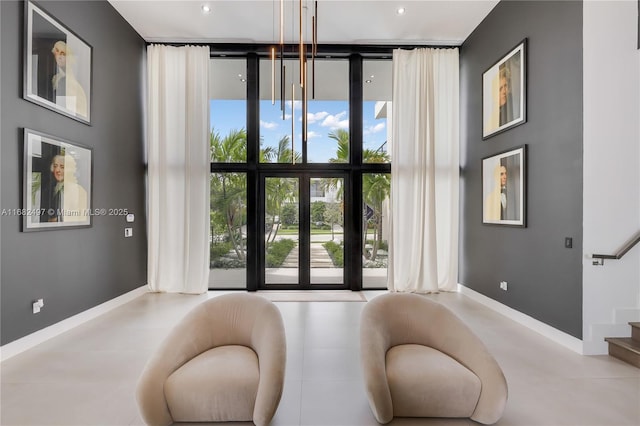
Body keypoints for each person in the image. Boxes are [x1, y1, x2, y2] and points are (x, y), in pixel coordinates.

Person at [42, 153, 88, 223]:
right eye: (55, 166)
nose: (57, 170)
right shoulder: (48, 189)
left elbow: (82, 218)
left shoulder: (79, 190)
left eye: (62, 167)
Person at [51, 40, 88, 118]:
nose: (59, 57)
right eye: (57, 52)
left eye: (63, 54)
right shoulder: (57, 78)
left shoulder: (68, 82)